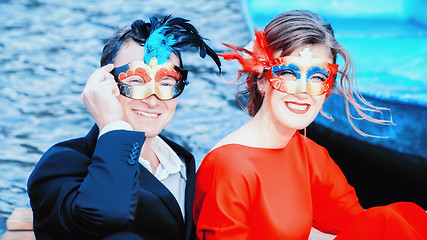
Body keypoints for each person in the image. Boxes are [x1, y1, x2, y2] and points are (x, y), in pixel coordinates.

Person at [193, 10, 427, 240]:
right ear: (262, 79)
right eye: (288, 72)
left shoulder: (312, 155)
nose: (303, 91)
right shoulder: (227, 167)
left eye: (317, 77)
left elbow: (358, 225)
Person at [27, 15, 221, 240]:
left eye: (167, 82)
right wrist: (113, 126)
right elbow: (106, 215)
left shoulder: (180, 161)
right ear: (105, 84)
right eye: (136, 81)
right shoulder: (60, 165)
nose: (152, 99)